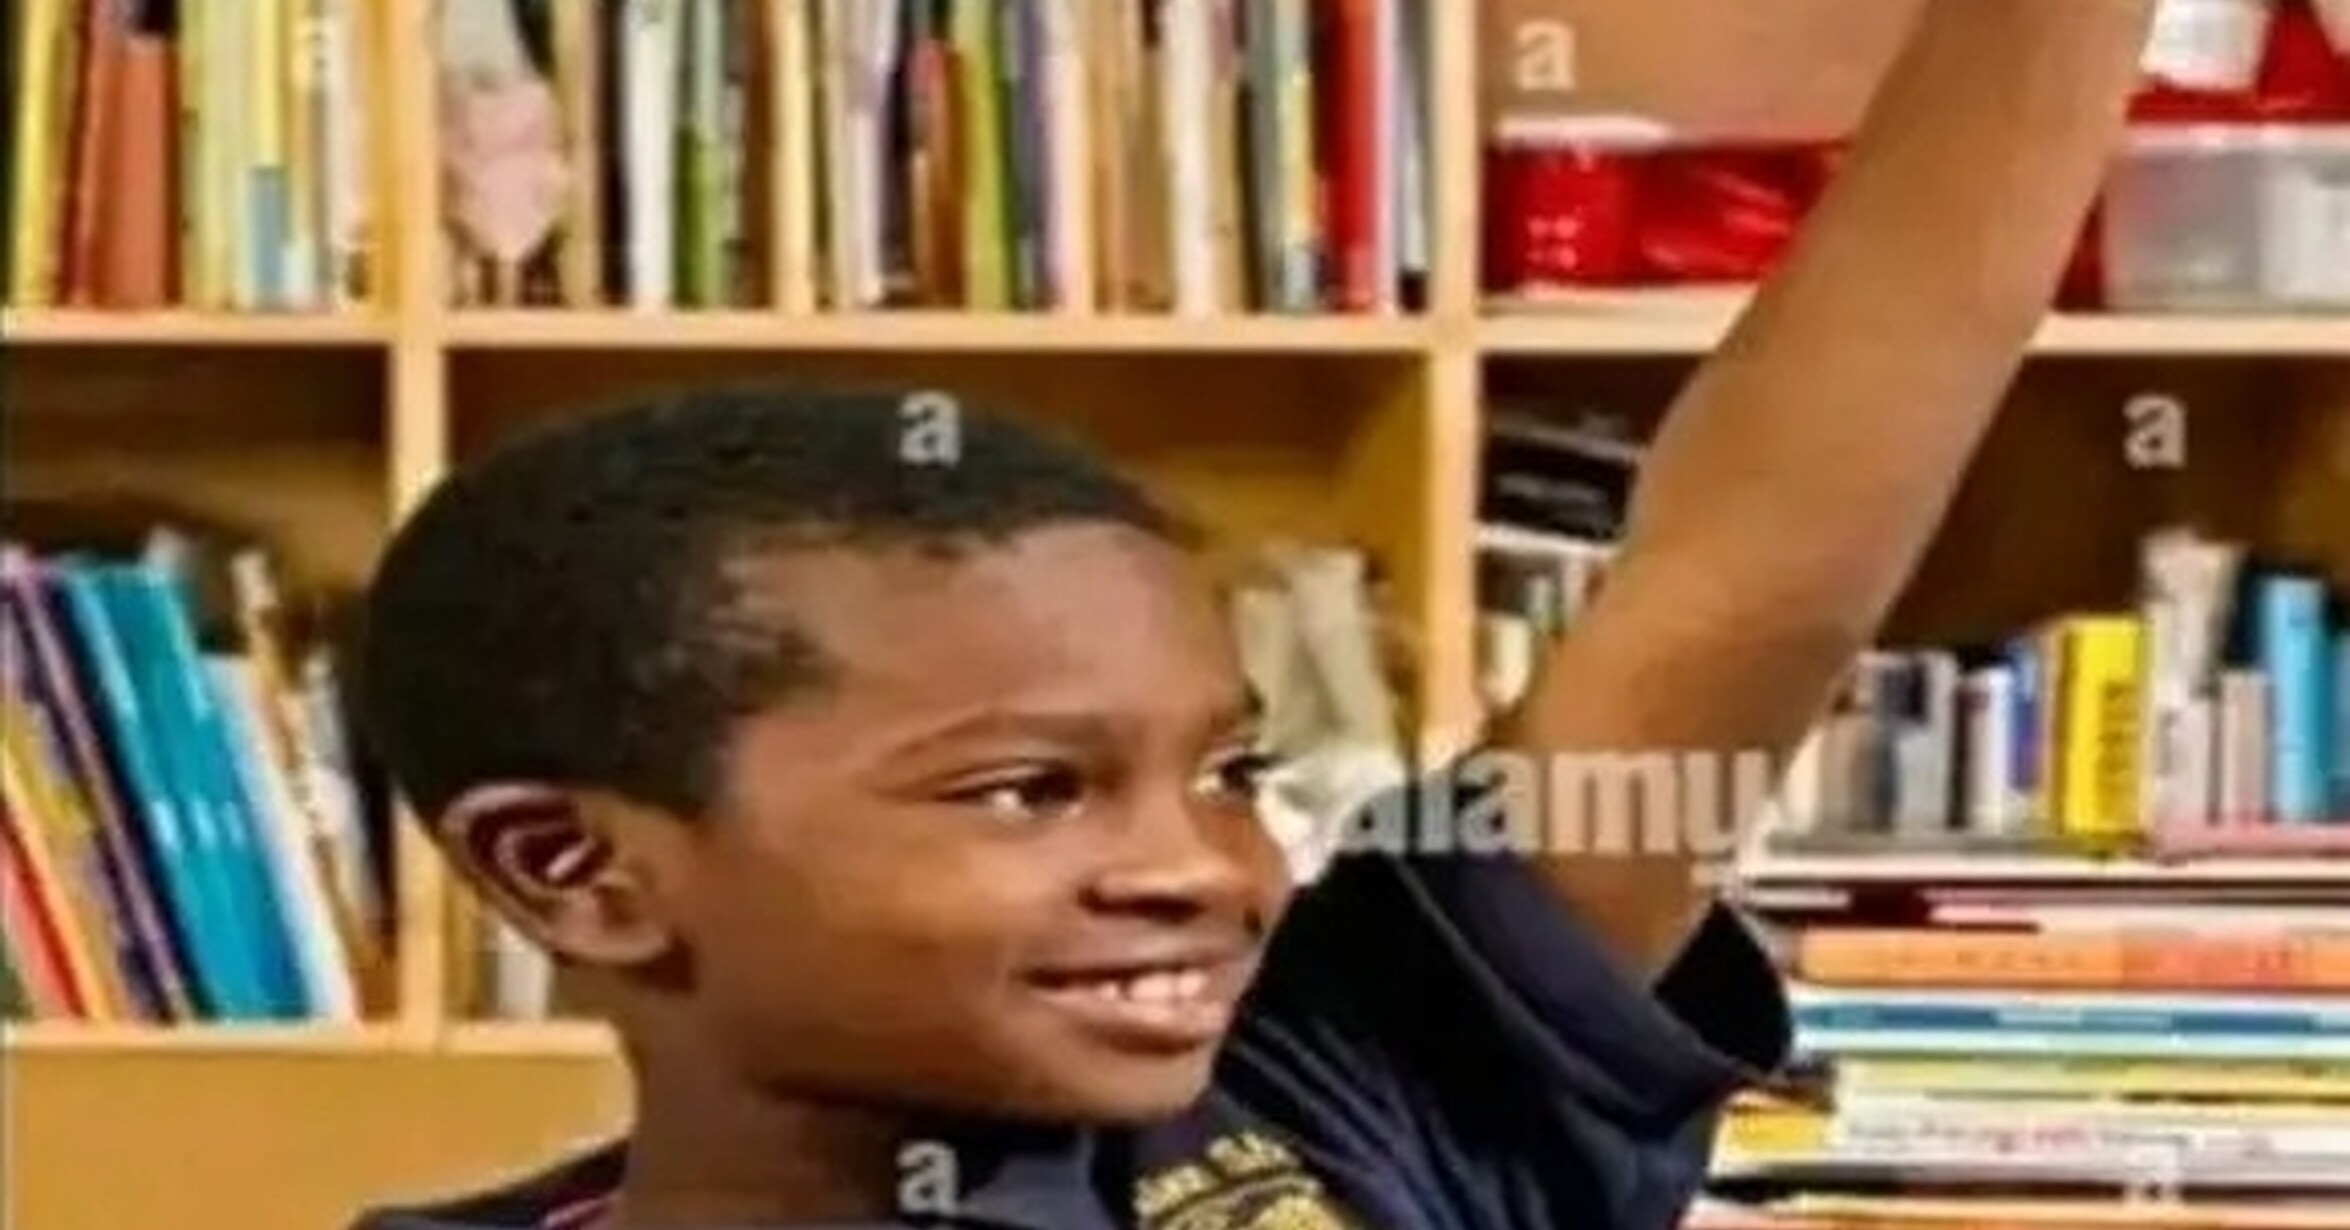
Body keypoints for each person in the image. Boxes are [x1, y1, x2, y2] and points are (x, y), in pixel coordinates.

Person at [350, 2, 2158, 1227]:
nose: (1203, 868)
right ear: (571, 869)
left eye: (1228, 772)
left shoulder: (1353, 1087)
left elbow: (1755, 568)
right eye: (1026, 788)